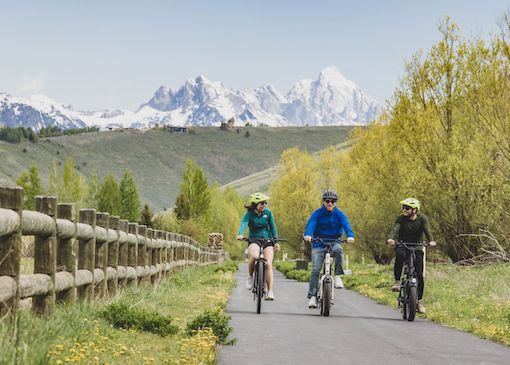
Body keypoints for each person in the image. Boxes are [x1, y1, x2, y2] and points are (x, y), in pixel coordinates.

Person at [303, 190, 354, 309]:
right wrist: (308, 234)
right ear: (324, 202)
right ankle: (313, 297)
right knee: (315, 270)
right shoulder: (318, 213)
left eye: (333, 201)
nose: (330, 203)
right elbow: (311, 223)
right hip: (318, 243)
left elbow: (346, 224)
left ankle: (337, 276)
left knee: (339, 250)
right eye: (327, 201)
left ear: (335, 203)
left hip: (334, 242)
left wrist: (350, 236)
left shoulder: (339, 214)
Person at [387, 197, 437, 314]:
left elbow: (427, 230)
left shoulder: (422, 219)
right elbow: (395, 229)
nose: (404, 210)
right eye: (403, 207)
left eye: (407, 208)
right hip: (403, 245)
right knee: (399, 256)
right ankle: (397, 282)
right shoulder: (400, 219)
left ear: (414, 210)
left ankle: (419, 301)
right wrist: (391, 238)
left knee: (419, 274)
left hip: (417, 247)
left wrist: (431, 241)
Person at [237, 192, 280, 301]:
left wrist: (276, 241)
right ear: (255, 204)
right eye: (262, 203)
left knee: (268, 263)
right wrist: (240, 234)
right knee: (254, 256)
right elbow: (243, 223)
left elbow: (273, 227)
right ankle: (250, 277)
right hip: (254, 240)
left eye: (265, 203)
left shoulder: (268, 213)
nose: (264, 205)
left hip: (267, 240)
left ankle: (270, 291)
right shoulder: (249, 214)